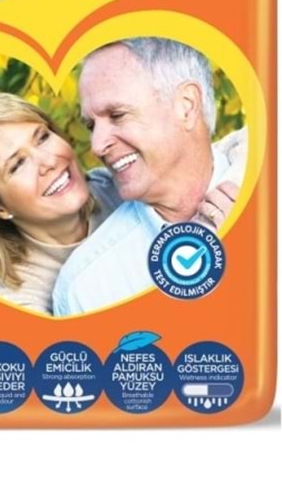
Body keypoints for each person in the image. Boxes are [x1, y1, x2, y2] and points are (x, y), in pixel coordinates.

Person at [52, 37, 247, 315]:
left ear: (186, 106)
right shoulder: (86, 288)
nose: (97, 145)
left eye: (117, 115)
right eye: (91, 125)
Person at [0, 93, 118, 313]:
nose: (48, 161)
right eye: (18, 164)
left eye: (42, 138)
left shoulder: (122, 189)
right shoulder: (11, 305)